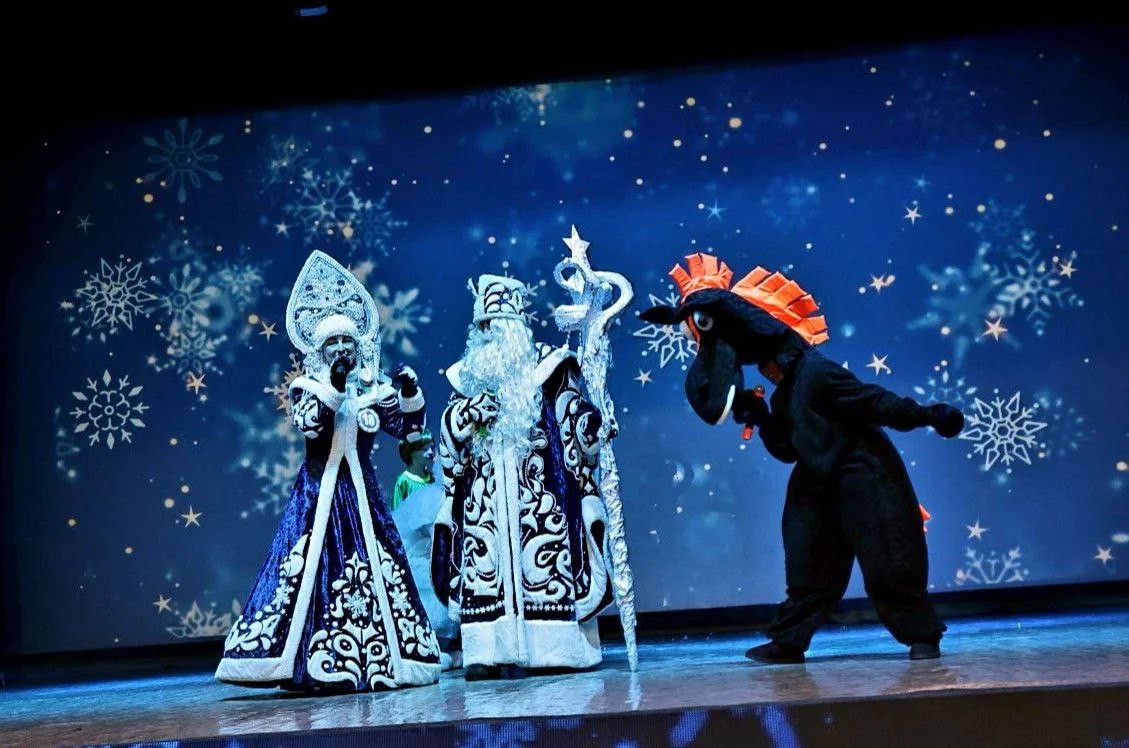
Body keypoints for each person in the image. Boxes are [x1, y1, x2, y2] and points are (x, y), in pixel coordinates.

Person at [640, 253, 963, 662]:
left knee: (889, 557)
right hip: (818, 478)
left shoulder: (817, 373)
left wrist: (929, 415)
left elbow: (874, 402)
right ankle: (790, 640)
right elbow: (787, 450)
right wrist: (760, 417)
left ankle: (922, 635)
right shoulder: (786, 393)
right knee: (808, 561)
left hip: (864, 474)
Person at [215, 250, 441, 691]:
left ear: (359, 347)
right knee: (306, 574)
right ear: (319, 351)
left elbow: (408, 428)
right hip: (319, 498)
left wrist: (409, 392)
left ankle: (377, 660)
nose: (341, 350)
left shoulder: (371, 390)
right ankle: (304, 660)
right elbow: (312, 424)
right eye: (332, 344)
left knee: (378, 569)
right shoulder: (309, 388)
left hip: (363, 498)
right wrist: (335, 386)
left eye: (347, 343)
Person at [431, 274, 614, 680]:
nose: (488, 337)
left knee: (543, 562)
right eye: (482, 328)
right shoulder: (467, 377)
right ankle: (486, 652)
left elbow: (573, 416)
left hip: (539, 495)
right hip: (485, 503)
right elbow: (449, 439)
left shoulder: (550, 367)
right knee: (484, 569)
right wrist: (465, 416)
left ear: (515, 328)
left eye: (495, 327)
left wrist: (593, 425)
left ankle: (552, 650)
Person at [391, 431, 435, 511]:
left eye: (432, 448)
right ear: (412, 452)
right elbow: (397, 514)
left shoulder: (433, 478)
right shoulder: (403, 482)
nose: (431, 452)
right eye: (425, 449)